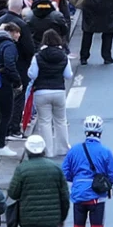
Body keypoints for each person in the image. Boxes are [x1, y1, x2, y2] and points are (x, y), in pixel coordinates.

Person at [62, 116, 113, 227]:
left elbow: (64, 173)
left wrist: (76, 180)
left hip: (78, 197)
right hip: (97, 200)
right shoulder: (105, 151)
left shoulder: (74, 150)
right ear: (100, 131)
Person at [9, 134, 71, 227]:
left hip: (28, 220)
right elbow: (64, 197)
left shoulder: (22, 169)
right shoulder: (55, 168)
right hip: (51, 219)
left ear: (27, 150)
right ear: (43, 149)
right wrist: (61, 218)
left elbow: (13, 193)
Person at [27, 30, 72, 161]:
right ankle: (63, 148)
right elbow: (68, 75)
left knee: (45, 122)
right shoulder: (63, 56)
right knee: (61, 120)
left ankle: (49, 150)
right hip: (59, 91)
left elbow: (32, 74)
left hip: (41, 91)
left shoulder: (38, 56)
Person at [0, 22, 27, 155]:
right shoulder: (10, 46)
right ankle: (1, 145)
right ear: (11, 33)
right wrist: (17, 80)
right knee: (6, 115)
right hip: (6, 83)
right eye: (16, 32)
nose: (18, 35)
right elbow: (9, 63)